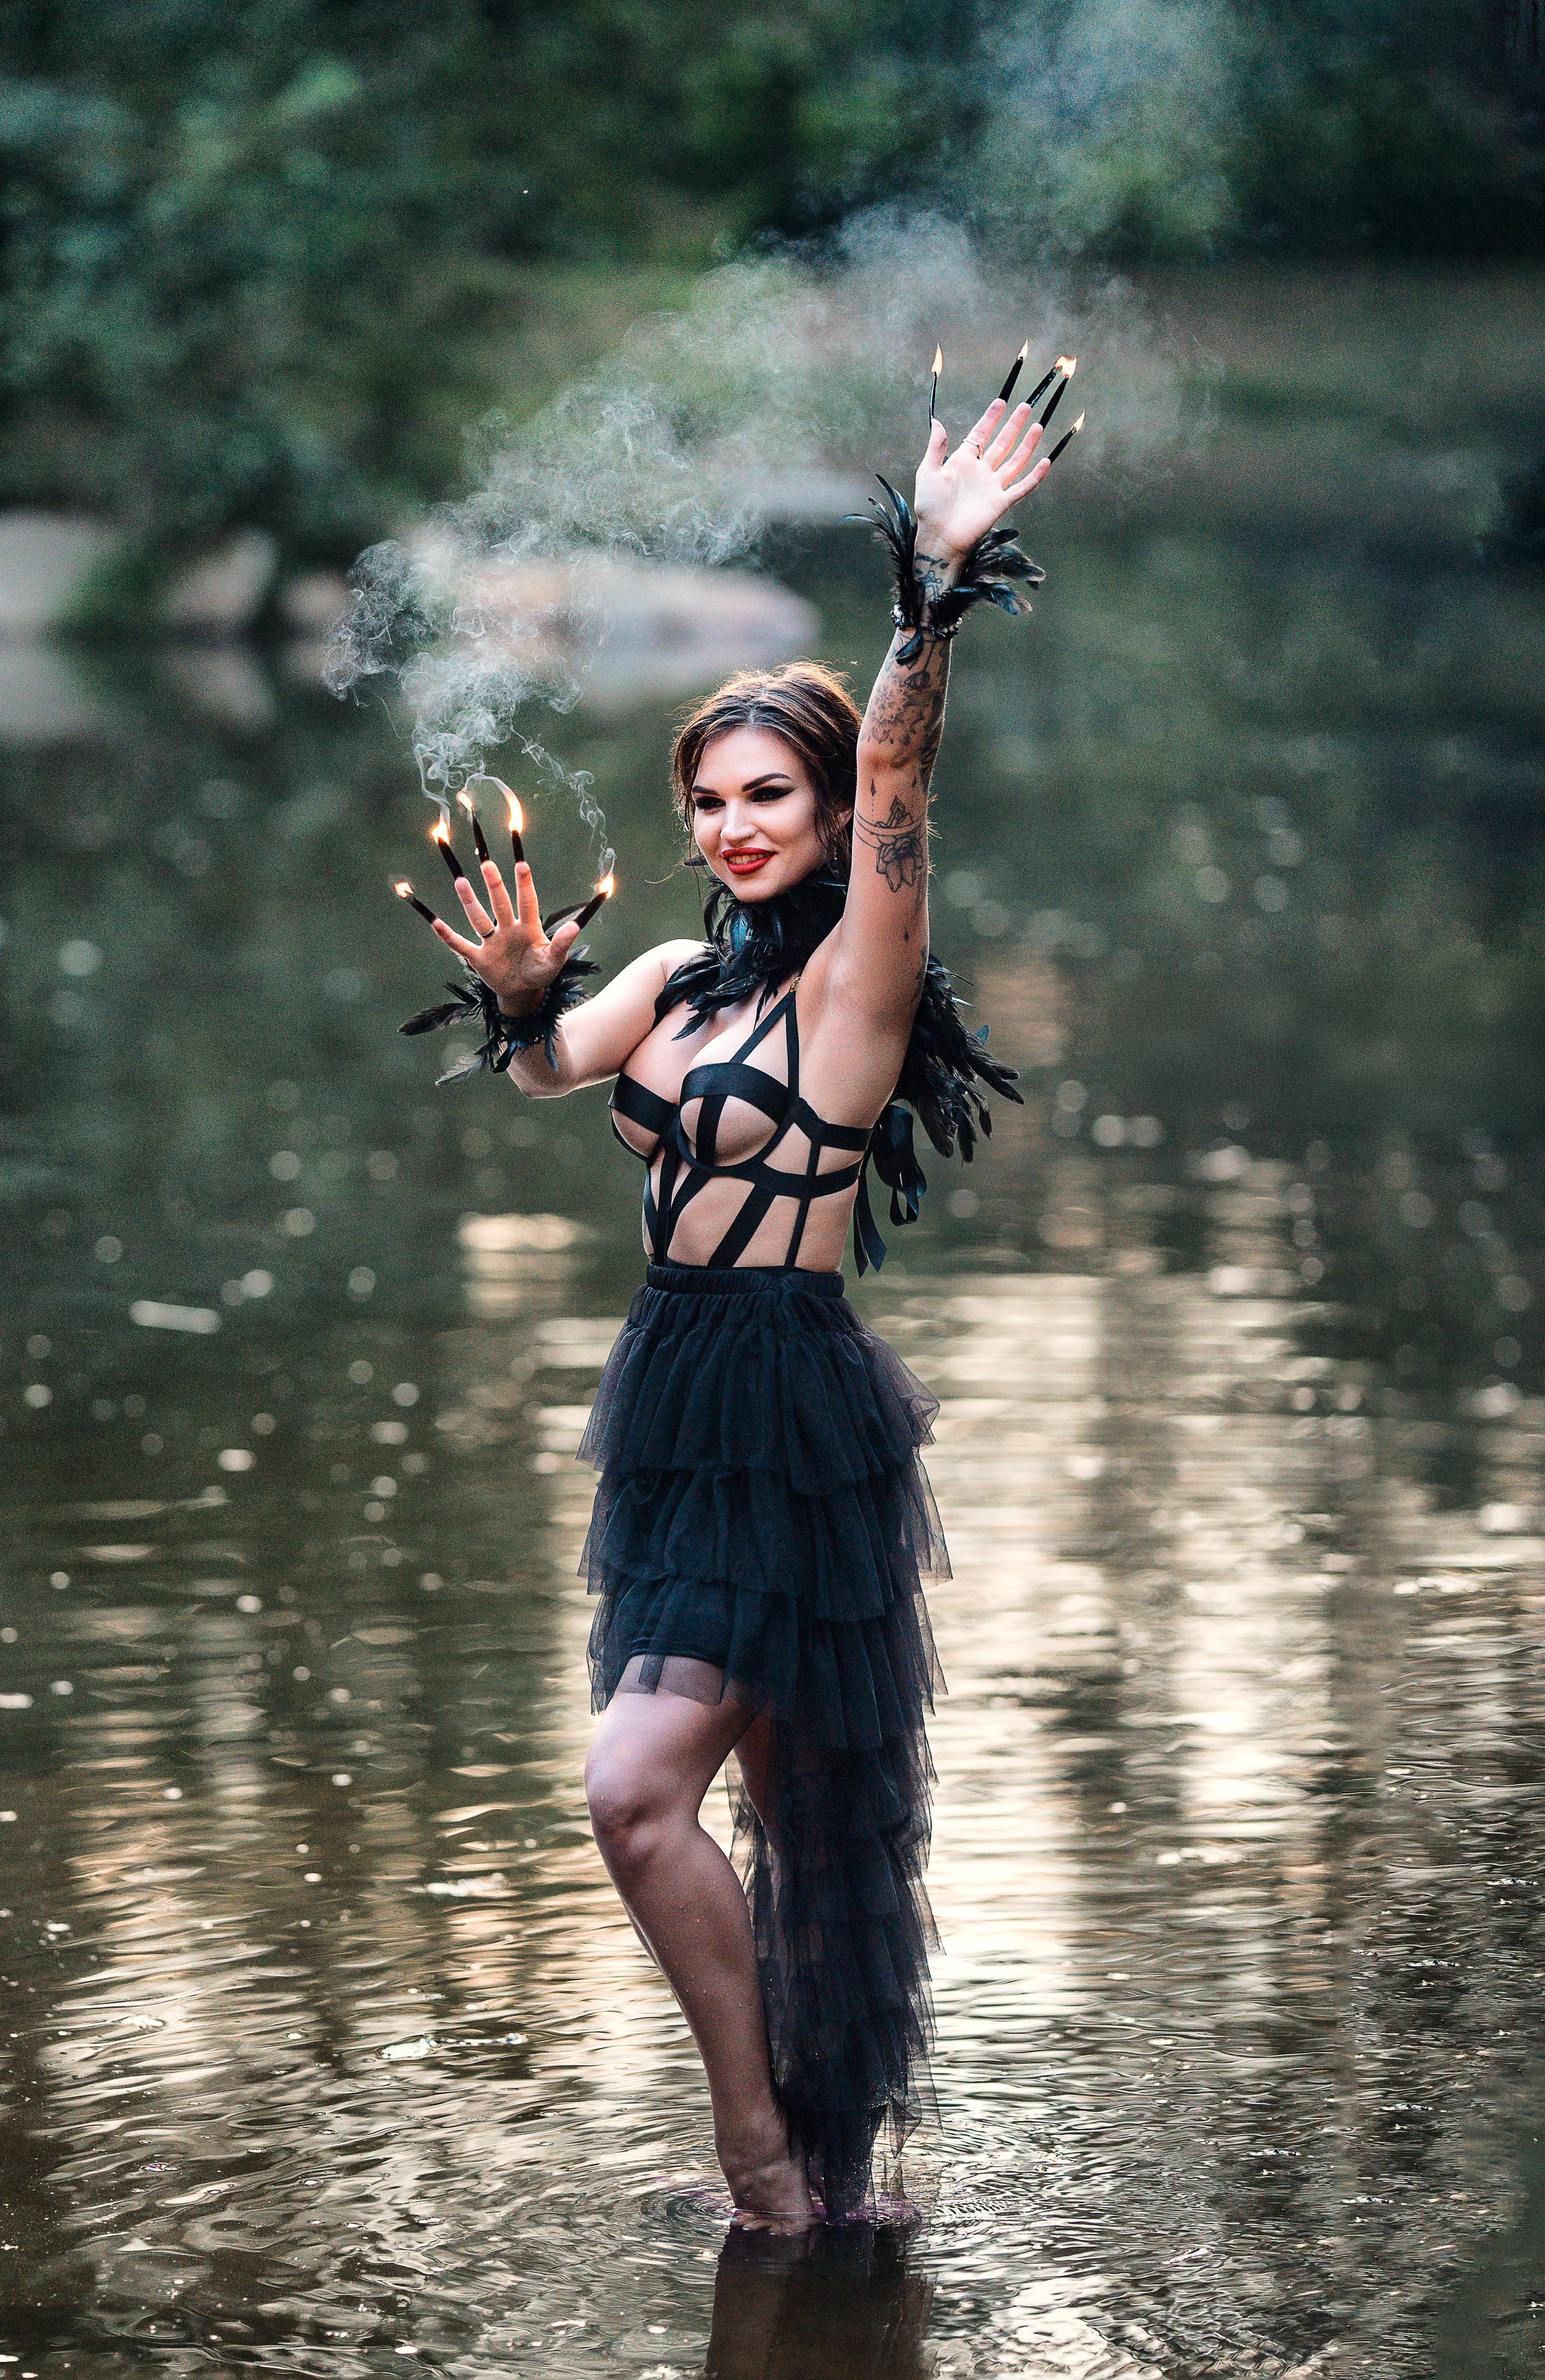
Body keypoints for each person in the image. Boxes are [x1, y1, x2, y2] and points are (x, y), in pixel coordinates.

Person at [417, 384, 1052, 2226]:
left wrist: (929, 590)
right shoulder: (685, 975)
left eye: (766, 793)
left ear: (822, 800)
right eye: (706, 801)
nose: (732, 826)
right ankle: (832, 2191)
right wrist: (530, 997)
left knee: (636, 1796)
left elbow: (901, 785)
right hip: (671, 1398)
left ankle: (765, 2157)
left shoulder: (862, 982)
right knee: (772, 1823)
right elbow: (547, 1080)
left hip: (792, 1403)